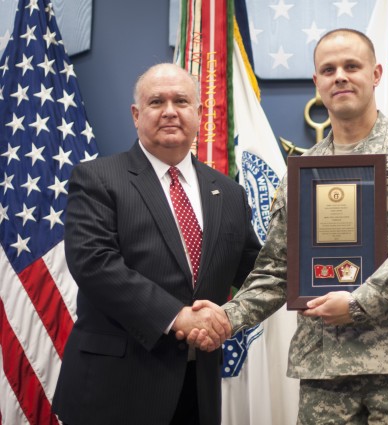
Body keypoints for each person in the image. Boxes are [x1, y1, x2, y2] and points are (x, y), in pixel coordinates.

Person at [203, 28, 388, 424]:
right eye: (328, 69)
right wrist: (229, 316)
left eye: (351, 66)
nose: (340, 76)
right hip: (325, 370)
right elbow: (278, 267)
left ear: (376, 74)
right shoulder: (300, 174)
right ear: (317, 82)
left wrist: (361, 301)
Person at [52, 63, 262, 425]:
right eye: (156, 101)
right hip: (114, 390)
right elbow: (94, 263)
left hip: (198, 389)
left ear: (198, 114)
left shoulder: (229, 192)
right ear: (136, 115)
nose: (169, 111)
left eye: (181, 101)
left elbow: (259, 271)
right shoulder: (98, 178)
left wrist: (313, 274)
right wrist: (176, 316)